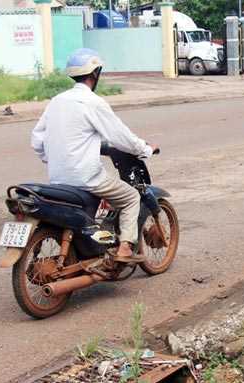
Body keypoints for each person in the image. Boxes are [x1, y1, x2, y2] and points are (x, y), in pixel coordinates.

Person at [30, 48, 156, 263]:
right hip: (86, 178)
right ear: (96, 73)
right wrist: (145, 149)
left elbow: (37, 140)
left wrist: (55, 157)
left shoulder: (57, 101)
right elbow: (120, 137)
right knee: (130, 197)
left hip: (59, 178)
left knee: (102, 201)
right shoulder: (93, 102)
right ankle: (125, 248)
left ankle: (99, 239)